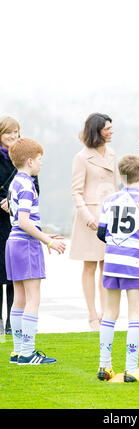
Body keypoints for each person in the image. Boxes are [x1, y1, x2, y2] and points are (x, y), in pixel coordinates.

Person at [96, 154, 139, 382]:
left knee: (109, 314)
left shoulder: (109, 200)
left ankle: (104, 366)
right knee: (135, 314)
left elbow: (101, 233)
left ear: (121, 176)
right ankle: (131, 368)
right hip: (134, 264)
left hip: (112, 263)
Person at [6, 138, 66, 365]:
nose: (42, 163)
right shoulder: (28, 185)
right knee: (33, 299)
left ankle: (19, 351)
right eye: (40, 159)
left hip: (13, 243)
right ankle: (28, 352)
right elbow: (24, 221)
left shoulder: (14, 183)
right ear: (30, 161)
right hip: (25, 244)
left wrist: (46, 235)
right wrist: (47, 242)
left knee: (19, 299)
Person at [70, 113, 117, 331]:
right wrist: (88, 217)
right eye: (107, 128)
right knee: (90, 266)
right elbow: (76, 191)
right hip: (89, 218)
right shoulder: (81, 157)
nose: (111, 131)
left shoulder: (113, 154)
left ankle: (106, 313)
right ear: (96, 131)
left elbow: (115, 188)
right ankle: (91, 315)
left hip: (109, 217)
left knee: (106, 266)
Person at [0, 116, 39, 335]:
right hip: (1, 222)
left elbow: (35, 187)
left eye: (16, 132)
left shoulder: (25, 155)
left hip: (17, 223)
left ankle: (12, 325)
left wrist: (13, 200)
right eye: (8, 133)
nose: (13, 137)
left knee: (17, 276)